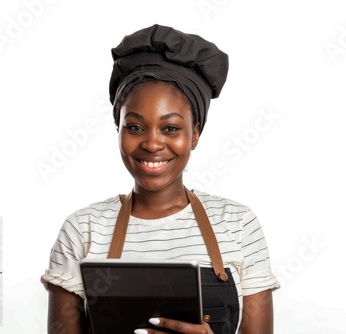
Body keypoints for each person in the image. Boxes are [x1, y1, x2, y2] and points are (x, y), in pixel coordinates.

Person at [41, 24, 279, 334]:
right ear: (119, 130)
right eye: (135, 127)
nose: (152, 144)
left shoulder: (238, 224)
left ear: (194, 135)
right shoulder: (83, 229)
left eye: (170, 128)